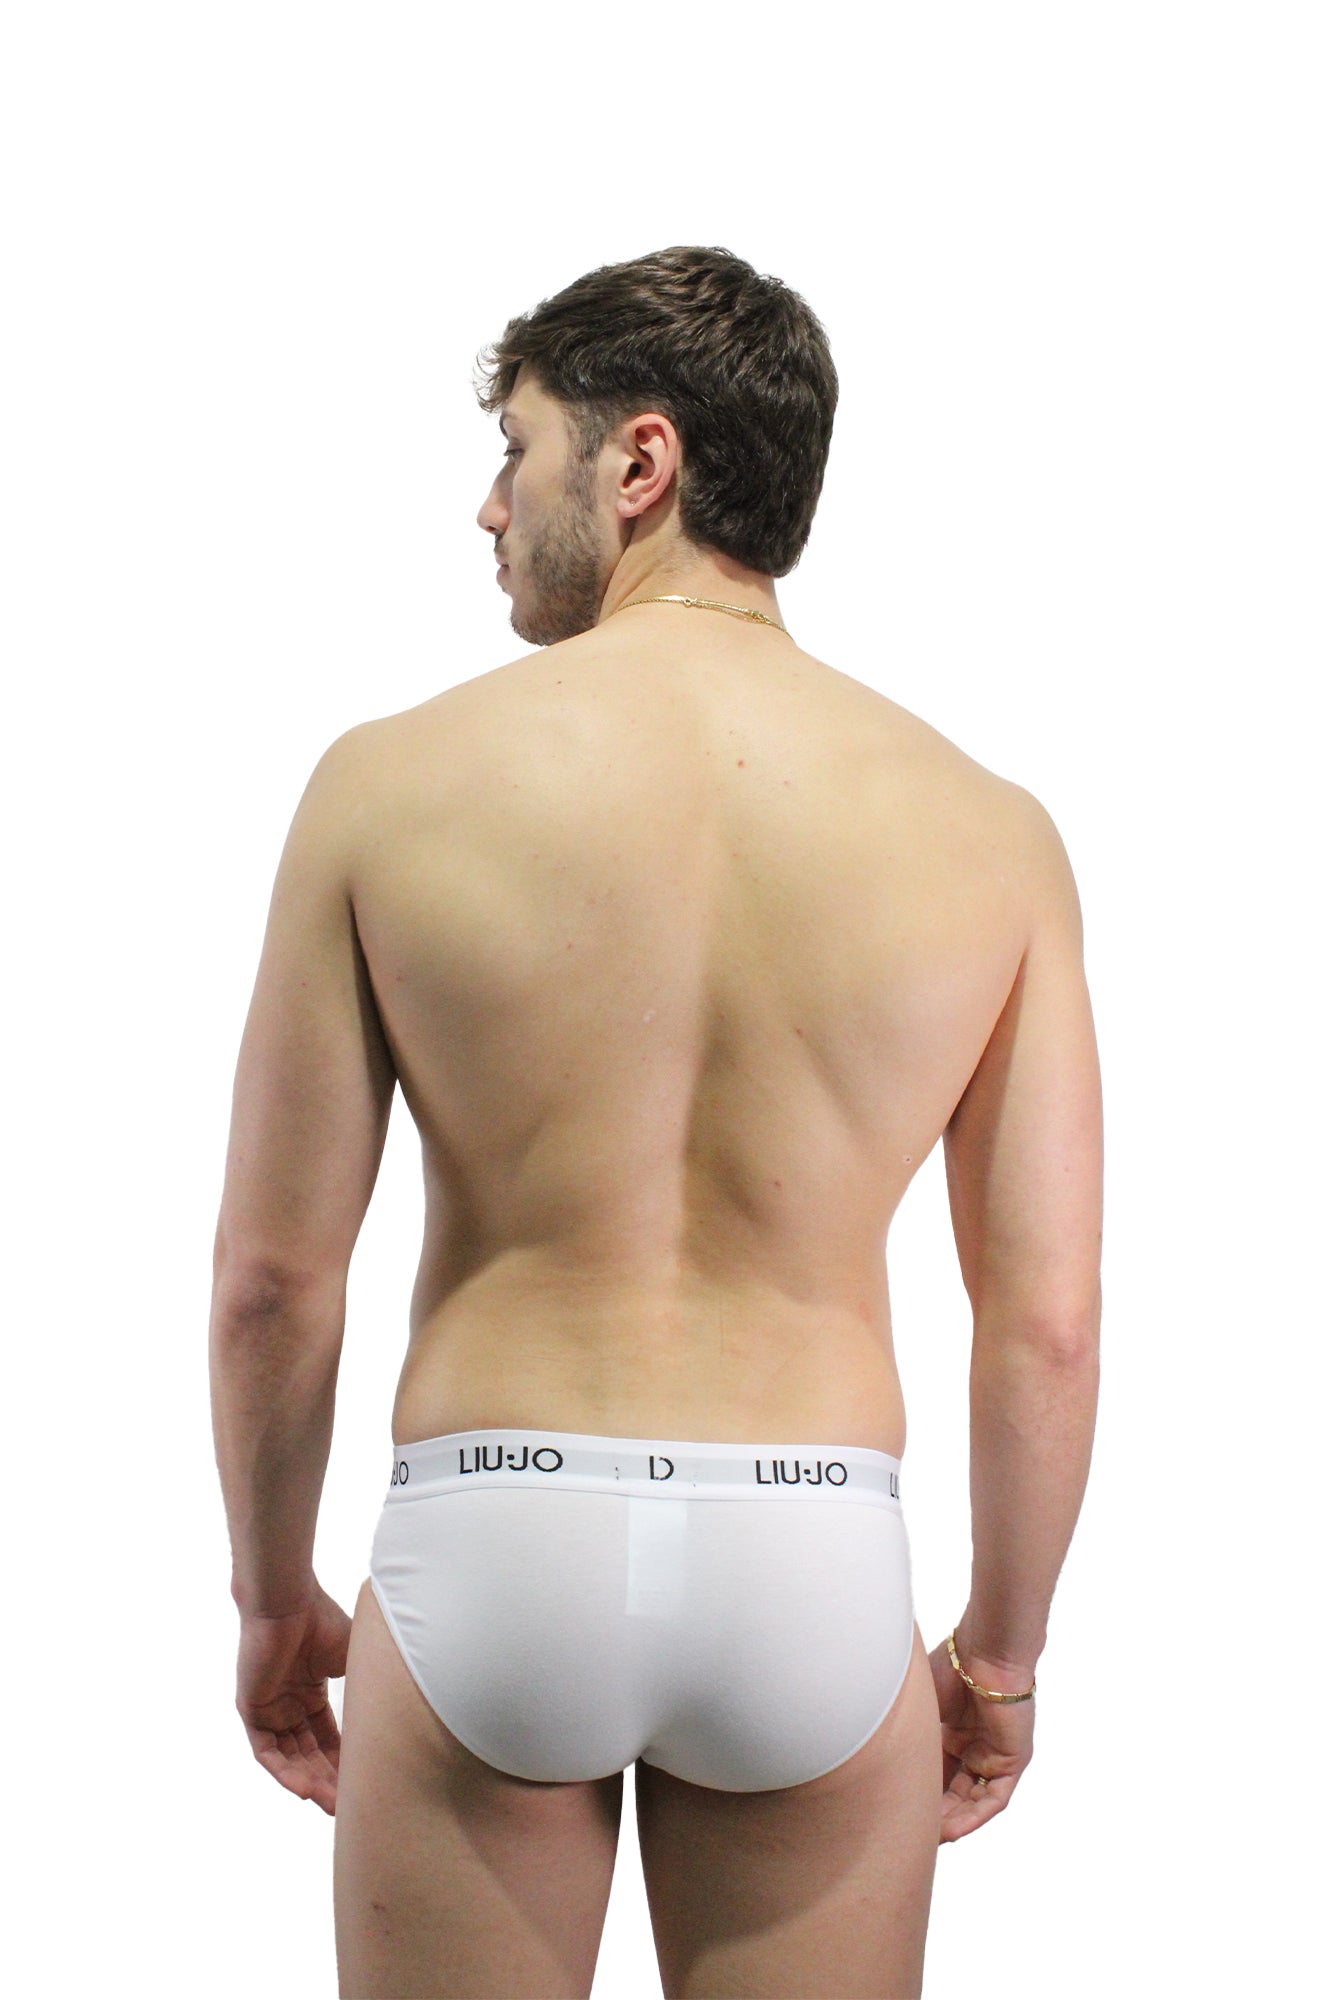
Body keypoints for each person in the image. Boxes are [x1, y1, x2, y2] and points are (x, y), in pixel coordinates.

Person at [209, 244, 1102, 2000]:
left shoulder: (387, 785)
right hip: (810, 1544)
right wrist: (998, 1657)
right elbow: (1046, 1322)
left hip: (497, 1531)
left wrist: (267, 1595)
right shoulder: (988, 831)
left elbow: (271, 1281)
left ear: (639, 464)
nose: (488, 507)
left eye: (516, 451)